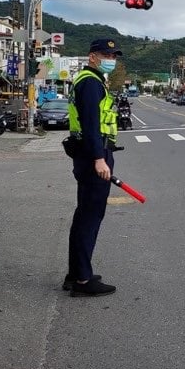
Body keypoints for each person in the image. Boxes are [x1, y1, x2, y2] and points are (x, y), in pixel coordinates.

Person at [63, 38, 122, 297]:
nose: (111, 59)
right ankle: (83, 281)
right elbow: (90, 123)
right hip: (92, 157)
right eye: (106, 55)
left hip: (89, 155)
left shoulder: (91, 80)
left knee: (84, 215)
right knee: (90, 217)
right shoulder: (90, 82)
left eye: (114, 55)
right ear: (92, 57)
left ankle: (76, 272)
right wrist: (99, 158)